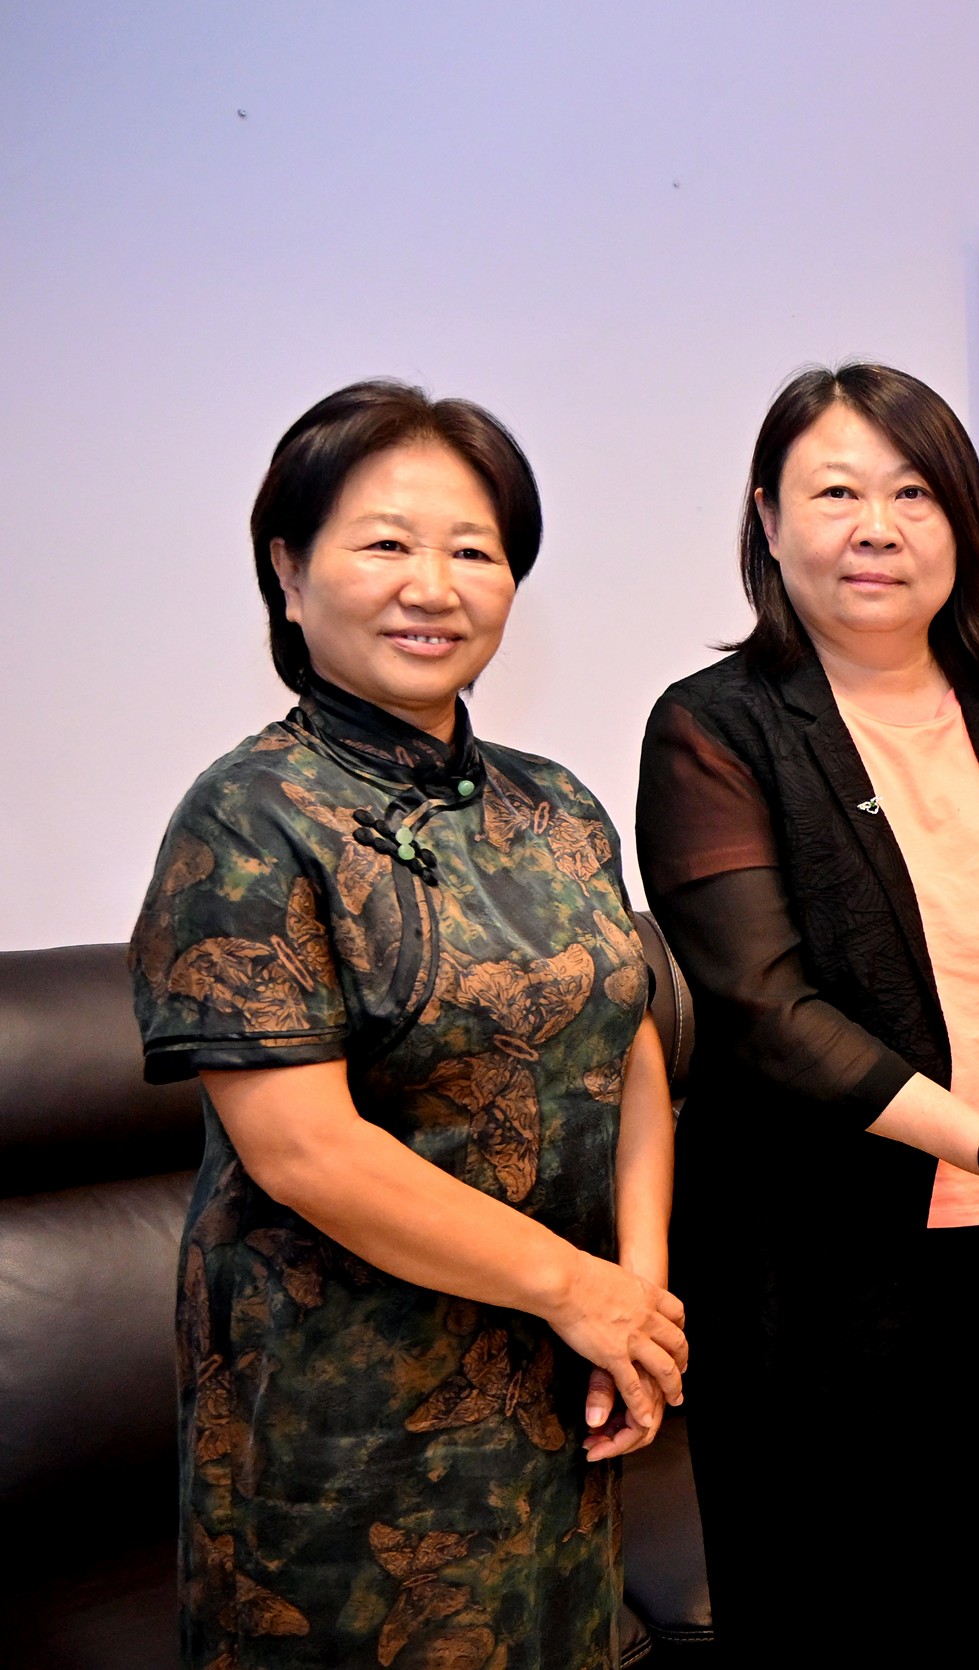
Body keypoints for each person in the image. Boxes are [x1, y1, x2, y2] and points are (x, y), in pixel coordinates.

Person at [634, 362, 979, 1663]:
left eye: (912, 491)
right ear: (768, 520)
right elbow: (767, 1010)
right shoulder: (714, 731)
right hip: (809, 1280)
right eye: (835, 490)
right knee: (820, 1623)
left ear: (962, 525)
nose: (876, 524)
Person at [130, 381, 685, 1670]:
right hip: (344, 1426)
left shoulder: (557, 808)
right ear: (289, 571)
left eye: (474, 551)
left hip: (560, 1385)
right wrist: (584, 1291)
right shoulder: (248, 815)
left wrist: (638, 1297)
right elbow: (303, 1150)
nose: (432, 584)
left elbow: (632, 1050)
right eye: (386, 542)